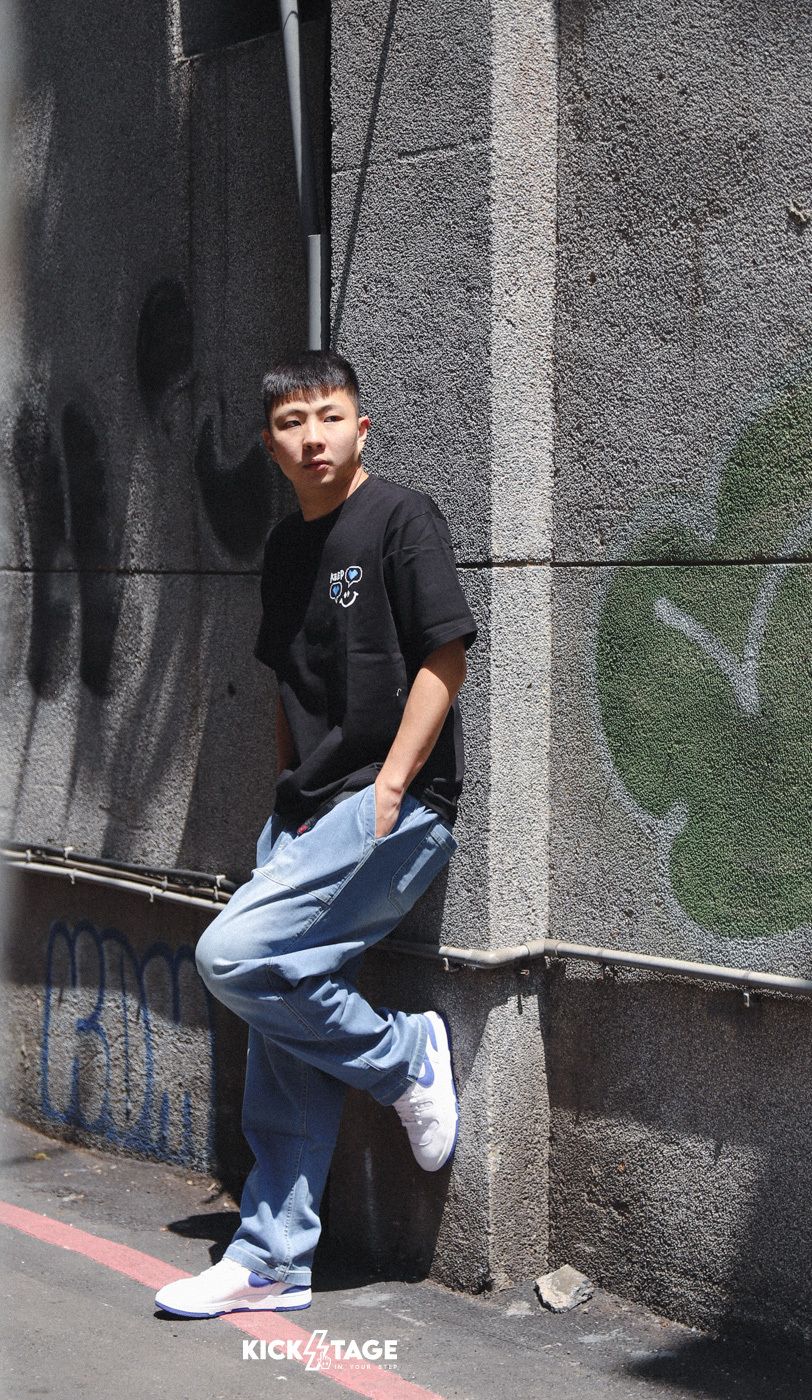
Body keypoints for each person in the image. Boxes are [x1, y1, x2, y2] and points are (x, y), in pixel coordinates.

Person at [154, 350, 476, 1319]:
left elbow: (445, 657)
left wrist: (390, 786)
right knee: (279, 1027)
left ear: (360, 427)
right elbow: (287, 687)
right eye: (292, 423)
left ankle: (404, 1057)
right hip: (304, 814)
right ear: (270, 445)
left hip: (392, 808)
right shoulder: (284, 548)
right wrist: (286, 796)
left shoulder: (403, 518)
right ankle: (272, 1258)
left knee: (232, 955)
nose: (313, 437)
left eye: (329, 417)